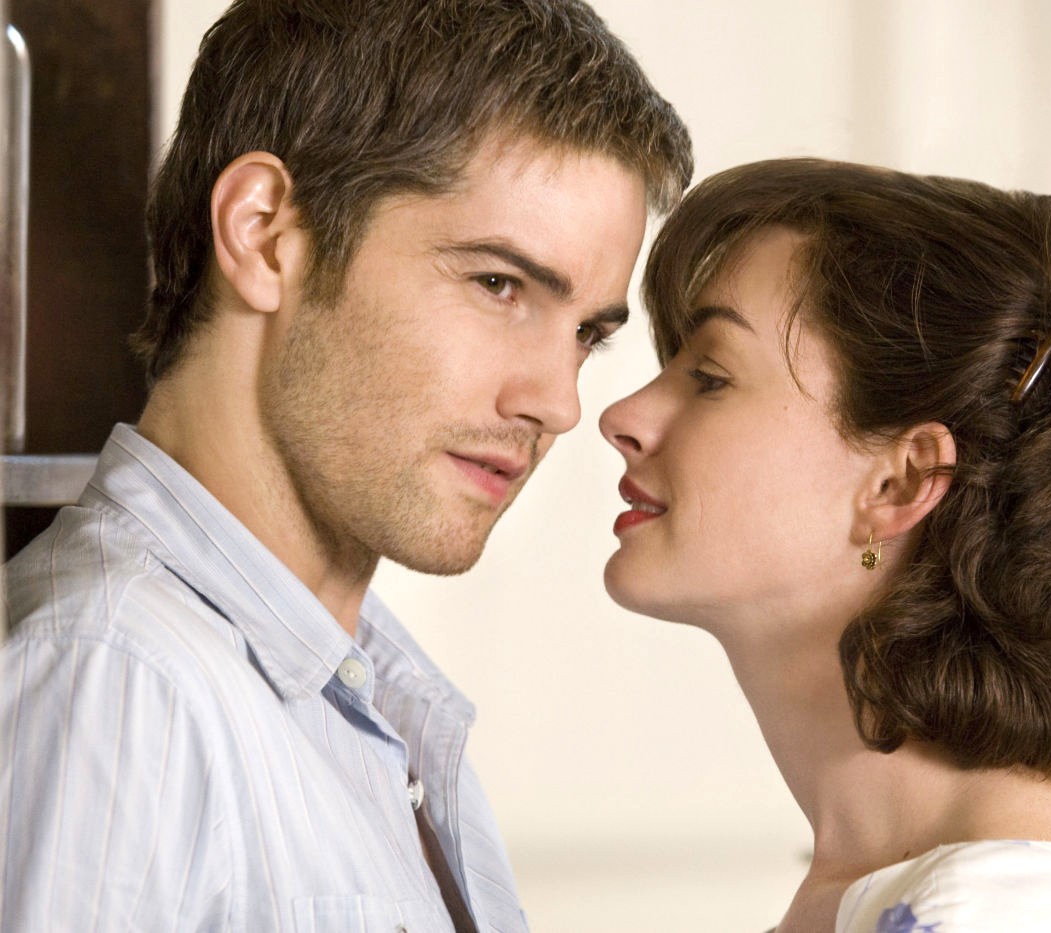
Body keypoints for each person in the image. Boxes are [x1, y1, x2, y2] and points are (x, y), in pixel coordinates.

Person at [0, 1, 690, 929]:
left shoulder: (374, 702)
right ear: (265, 233)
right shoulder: (118, 686)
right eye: (498, 284)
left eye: (585, 336)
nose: (557, 404)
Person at [600, 159, 1051, 932]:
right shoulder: (903, 895)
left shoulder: (995, 915)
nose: (623, 414)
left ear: (901, 483)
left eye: (710, 376)